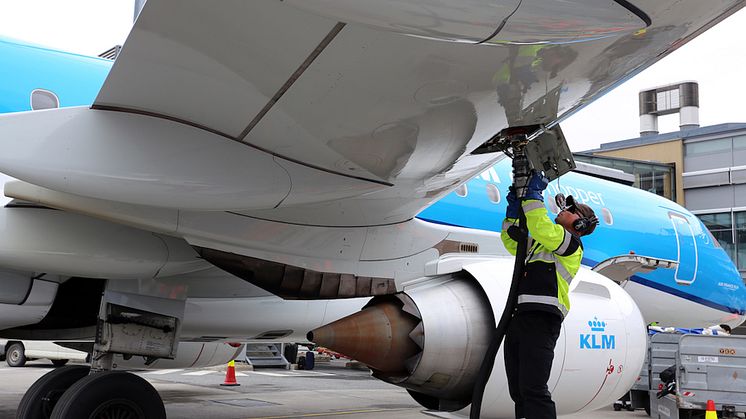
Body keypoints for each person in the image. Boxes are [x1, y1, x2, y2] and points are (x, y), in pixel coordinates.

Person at [500, 172, 598, 419]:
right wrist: (513, 211)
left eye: (572, 209)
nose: (564, 208)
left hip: (543, 320)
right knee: (519, 389)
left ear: (580, 224)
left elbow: (540, 225)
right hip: (520, 317)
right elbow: (511, 240)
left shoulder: (571, 245)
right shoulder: (541, 244)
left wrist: (533, 196)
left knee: (534, 388)